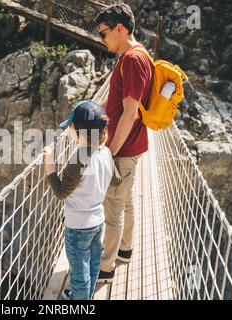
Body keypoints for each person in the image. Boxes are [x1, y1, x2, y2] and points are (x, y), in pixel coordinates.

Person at [94, 3, 153, 282]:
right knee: (125, 199)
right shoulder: (137, 55)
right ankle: (125, 250)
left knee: (112, 208)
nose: (102, 39)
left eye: (104, 33)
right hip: (132, 145)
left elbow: (130, 111)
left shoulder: (132, 60)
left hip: (124, 148)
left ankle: (104, 268)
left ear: (120, 28)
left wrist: (110, 151)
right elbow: (122, 104)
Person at [43, 100, 121, 300]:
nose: (68, 129)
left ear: (78, 130)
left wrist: (49, 163)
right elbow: (117, 180)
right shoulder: (105, 154)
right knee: (93, 265)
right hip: (97, 222)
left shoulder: (80, 158)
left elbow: (61, 192)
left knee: (79, 274)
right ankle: (85, 296)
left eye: (70, 126)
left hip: (78, 227)